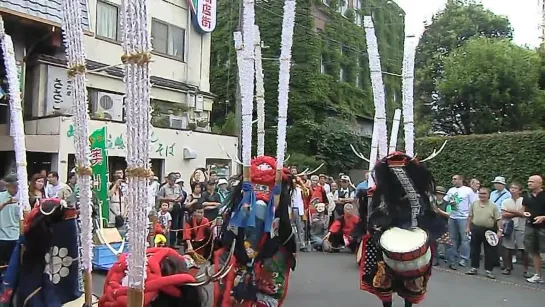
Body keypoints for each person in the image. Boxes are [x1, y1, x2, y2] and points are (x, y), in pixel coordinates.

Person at [359, 152, 437, 307]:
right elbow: (373, 216)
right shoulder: (379, 193)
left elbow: (427, 215)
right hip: (385, 237)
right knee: (382, 277)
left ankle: (408, 304)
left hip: (414, 235)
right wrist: (376, 227)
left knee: (414, 279)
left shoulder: (420, 194)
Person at [465, 187, 502, 279]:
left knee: (489, 251)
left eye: (484, 194)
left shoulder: (493, 206)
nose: (482, 195)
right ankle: (474, 268)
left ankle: (489, 270)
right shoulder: (474, 204)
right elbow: (470, 216)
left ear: (488, 195)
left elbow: (498, 219)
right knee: (474, 250)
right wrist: (467, 227)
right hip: (476, 229)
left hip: (489, 231)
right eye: (480, 193)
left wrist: (500, 230)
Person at [444, 174, 477, 270]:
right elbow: (446, 201)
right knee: (452, 238)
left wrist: (471, 218)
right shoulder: (451, 190)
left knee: (465, 239)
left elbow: (473, 204)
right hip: (452, 216)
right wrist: (450, 203)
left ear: (461, 180)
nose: (453, 181)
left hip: (464, 217)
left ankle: (464, 258)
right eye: (452, 179)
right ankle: (453, 257)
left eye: (455, 179)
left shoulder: (468, 190)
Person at [501, 182, 531, 277]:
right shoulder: (506, 201)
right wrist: (519, 213)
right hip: (509, 226)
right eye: (511, 187)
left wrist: (511, 212)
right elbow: (504, 214)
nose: (513, 189)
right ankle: (508, 267)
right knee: (508, 247)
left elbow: (527, 213)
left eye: (515, 188)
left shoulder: (524, 200)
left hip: (522, 226)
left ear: (520, 190)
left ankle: (526, 270)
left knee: (523, 248)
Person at [522, 175, 545, 283]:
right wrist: (523, 213)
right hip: (530, 227)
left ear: (539, 183)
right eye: (528, 181)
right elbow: (523, 210)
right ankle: (538, 275)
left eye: (532, 181)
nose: (529, 183)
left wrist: (543, 217)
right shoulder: (527, 196)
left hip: (543, 228)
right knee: (533, 251)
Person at [0, 174, 20, 272]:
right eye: (13, 186)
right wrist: (6, 203)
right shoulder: (1, 196)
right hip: (2, 236)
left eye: (17, 186)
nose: (15, 189)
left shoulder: (24, 198)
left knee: (12, 265)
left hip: (16, 236)